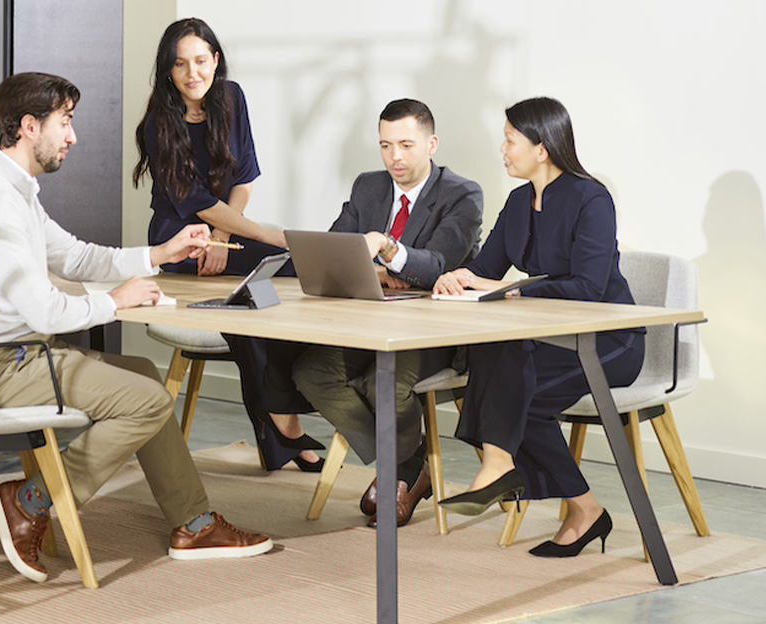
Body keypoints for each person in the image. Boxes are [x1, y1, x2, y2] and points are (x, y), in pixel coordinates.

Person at [0, 72, 273, 584]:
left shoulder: (12, 188)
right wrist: (115, 301)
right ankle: (30, 499)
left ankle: (194, 524)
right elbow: (46, 313)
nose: (73, 136)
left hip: (11, 356)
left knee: (142, 373)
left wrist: (160, 254)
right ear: (29, 126)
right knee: (150, 400)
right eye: (64, 123)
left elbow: (74, 255)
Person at [434, 97, 645, 557]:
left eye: (510, 140)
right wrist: (461, 277)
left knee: (516, 395)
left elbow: (589, 286)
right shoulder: (517, 201)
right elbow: (485, 269)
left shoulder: (592, 198)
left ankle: (504, 468)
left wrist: (515, 290)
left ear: (542, 147)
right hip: (553, 339)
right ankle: (572, 501)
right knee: (493, 360)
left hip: (609, 341)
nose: (503, 150)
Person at [269, 98, 484, 527]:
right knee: (311, 371)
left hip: (433, 333)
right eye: (386, 145)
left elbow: (437, 265)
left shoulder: (462, 194)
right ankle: (406, 466)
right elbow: (335, 251)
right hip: (368, 325)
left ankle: (398, 479)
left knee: (382, 382)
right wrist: (378, 273)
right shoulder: (369, 186)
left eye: (406, 144)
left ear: (432, 143)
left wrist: (387, 249)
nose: (395, 157)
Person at [132, 17, 321, 471]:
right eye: (180, 65)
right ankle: (282, 424)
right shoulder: (159, 122)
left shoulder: (231, 98)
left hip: (222, 235)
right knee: (280, 261)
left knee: (255, 305)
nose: (192, 73)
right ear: (168, 71)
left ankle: (281, 425)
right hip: (179, 240)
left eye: (200, 61)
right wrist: (262, 233)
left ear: (215, 60)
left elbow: (243, 178)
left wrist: (224, 237)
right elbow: (194, 201)